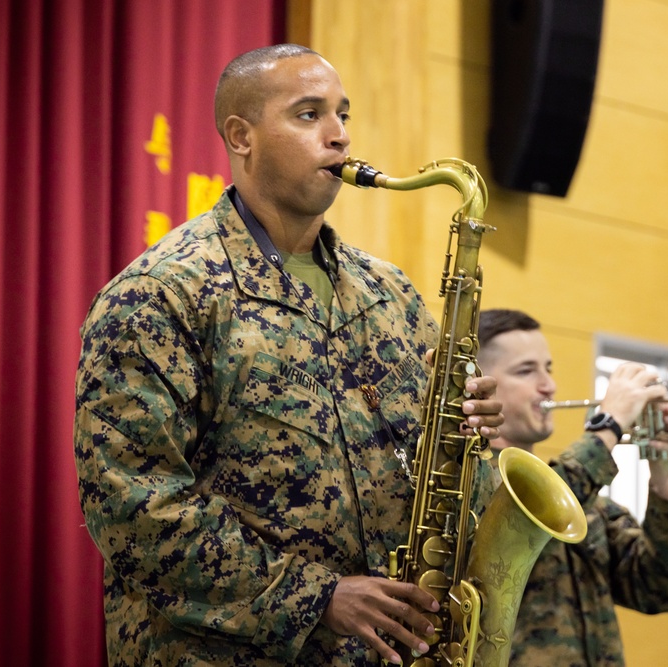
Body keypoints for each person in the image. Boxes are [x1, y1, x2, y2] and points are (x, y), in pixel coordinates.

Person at [73, 44, 505, 667]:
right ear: (241, 137)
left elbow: (446, 479)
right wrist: (314, 597)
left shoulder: (394, 295)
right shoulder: (161, 293)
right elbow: (132, 506)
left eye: (343, 114)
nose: (339, 137)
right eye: (309, 115)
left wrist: (472, 436)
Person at [476, 309, 668, 666]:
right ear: (481, 384)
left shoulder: (587, 503)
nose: (548, 384)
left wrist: (663, 475)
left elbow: (664, 588)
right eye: (526, 370)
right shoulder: (468, 483)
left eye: (548, 368)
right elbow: (529, 513)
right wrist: (608, 425)